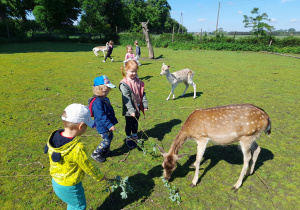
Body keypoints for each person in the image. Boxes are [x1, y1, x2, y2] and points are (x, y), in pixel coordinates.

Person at [44, 103, 106, 209]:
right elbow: (87, 165)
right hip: (70, 186)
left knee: (72, 204)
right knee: (79, 206)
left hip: (56, 182)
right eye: (87, 125)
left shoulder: (54, 137)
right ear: (81, 126)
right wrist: (99, 176)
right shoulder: (77, 147)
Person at [88, 75, 118, 163]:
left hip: (107, 124)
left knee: (110, 137)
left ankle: (106, 152)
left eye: (108, 91)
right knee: (106, 140)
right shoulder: (97, 102)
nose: (107, 93)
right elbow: (101, 115)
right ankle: (96, 153)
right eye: (105, 91)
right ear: (97, 89)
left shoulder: (104, 98)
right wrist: (109, 124)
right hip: (102, 125)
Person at [119, 60, 148, 149]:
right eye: (132, 71)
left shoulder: (138, 81)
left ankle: (134, 135)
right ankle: (128, 137)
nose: (134, 73)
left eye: (135, 71)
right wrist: (131, 110)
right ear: (126, 70)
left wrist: (145, 104)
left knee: (135, 122)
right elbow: (126, 98)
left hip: (138, 107)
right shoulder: (124, 84)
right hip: (129, 109)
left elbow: (142, 93)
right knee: (129, 123)